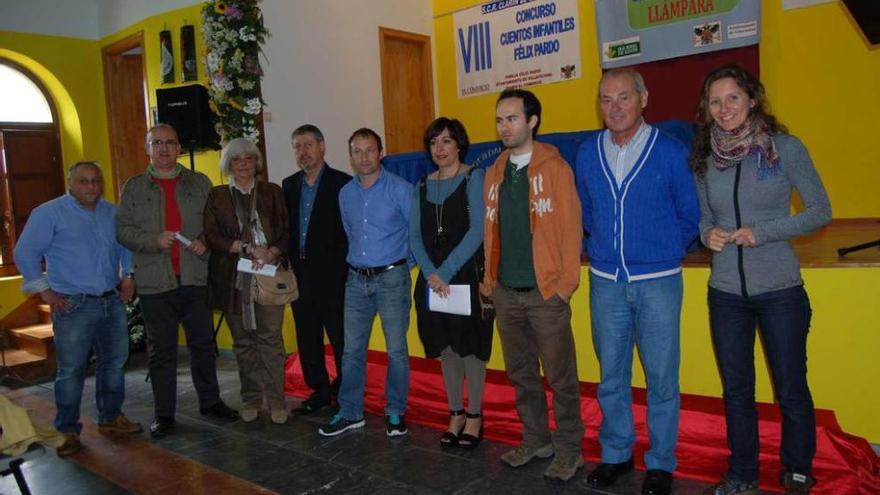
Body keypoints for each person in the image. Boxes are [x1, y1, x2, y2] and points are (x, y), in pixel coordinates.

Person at [691, 64, 831, 495]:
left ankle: (798, 469)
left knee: (790, 387)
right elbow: (705, 219)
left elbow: (820, 211)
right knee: (737, 390)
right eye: (715, 101)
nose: (724, 108)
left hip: (780, 291)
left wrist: (764, 231)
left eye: (733, 97)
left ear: (752, 99)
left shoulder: (784, 148)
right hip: (727, 293)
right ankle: (743, 472)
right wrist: (706, 235)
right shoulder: (704, 159)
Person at [574, 68, 700, 495]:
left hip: (659, 282)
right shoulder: (587, 153)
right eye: (606, 99)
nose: (615, 107)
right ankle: (617, 455)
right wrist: (606, 252)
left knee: (662, 375)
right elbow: (588, 213)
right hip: (606, 281)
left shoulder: (671, 151)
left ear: (644, 99)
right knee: (611, 374)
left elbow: (690, 216)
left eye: (624, 97)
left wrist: (661, 252)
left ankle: (661, 462)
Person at [483, 88, 585, 482]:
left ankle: (570, 450)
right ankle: (537, 439)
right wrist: (491, 282)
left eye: (511, 118)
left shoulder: (555, 169)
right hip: (507, 294)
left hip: (547, 295)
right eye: (499, 120)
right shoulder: (495, 172)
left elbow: (572, 230)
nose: (504, 126)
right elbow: (491, 231)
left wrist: (564, 287)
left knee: (561, 378)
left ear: (532, 121)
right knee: (521, 374)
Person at [117, 124, 238, 439]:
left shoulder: (199, 183)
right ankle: (164, 414)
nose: (164, 148)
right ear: (148, 148)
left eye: (170, 142)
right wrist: (152, 239)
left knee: (202, 344)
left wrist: (203, 240)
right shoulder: (133, 188)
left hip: (195, 277)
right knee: (163, 351)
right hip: (156, 283)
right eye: (157, 142)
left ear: (179, 147)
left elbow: (215, 225)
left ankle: (210, 402)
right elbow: (123, 232)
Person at [14, 161, 143, 457]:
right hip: (74, 306)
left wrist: (128, 275)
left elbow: (125, 247)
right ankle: (67, 429)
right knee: (71, 370)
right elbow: (24, 252)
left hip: (111, 301)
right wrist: (45, 292)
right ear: (70, 183)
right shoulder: (49, 214)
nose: (91, 187)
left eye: (96, 181)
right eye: (84, 181)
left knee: (113, 364)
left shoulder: (111, 213)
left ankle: (110, 418)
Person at [318, 128, 414, 438]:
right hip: (356, 280)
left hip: (391, 279)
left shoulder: (401, 189)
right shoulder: (345, 193)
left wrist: (401, 266)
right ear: (350, 156)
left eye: (369, 150)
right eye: (356, 151)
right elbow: (350, 232)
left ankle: (396, 412)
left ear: (381, 152)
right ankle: (350, 412)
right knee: (351, 351)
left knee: (397, 351)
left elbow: (417, 232)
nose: (363, 157)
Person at [409, 117, 493, 448]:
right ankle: (455, 413)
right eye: (434, 142)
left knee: (471, 348)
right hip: (432, 281)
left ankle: (475, 417)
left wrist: (444, 273)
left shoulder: (474, 176)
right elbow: (415, 236)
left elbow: (478, 232)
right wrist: (432, 275)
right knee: (445, 348)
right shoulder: (421, 185)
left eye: (447, 141)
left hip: (466, 277)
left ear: (459, 143)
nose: (440, 148)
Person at [204, 138, 290, 425]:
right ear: (228, 164)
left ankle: (277, 400)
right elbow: (212, 236)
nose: (243, 164)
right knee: (243, 341)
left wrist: (272, 252)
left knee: (270, 340)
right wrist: (244, 248)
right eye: (237, 159)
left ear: (256, 162)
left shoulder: (272, 191)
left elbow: (285, 230)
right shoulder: (217, 196)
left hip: (268, 276)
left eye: (249, 158)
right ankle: (251, 398)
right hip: (232, 279)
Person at [282, 124, 351, 415]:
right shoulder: (289, 185)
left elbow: (349, 231)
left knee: (340, 337)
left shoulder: (342, 183)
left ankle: (346, 392)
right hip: (299, 275)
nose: (303, 152)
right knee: (307, 335)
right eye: (297, 146)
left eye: (308, 145)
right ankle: (319, 390)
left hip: (334, 275)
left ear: (322, 147)